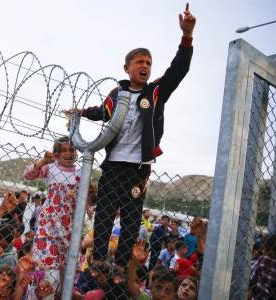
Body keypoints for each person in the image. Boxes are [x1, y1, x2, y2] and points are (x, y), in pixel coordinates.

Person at [66, 3, 196, 269]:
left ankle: (122, 265)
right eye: (139, 62)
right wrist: (81, 112)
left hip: (138, 169)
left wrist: (187, 36)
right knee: (104, 213)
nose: (145, 65)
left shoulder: (155, 93)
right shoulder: (117, 94)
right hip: (113, 165)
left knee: (131, 217)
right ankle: (100, 259)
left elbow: (178, 70)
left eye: (148, 62)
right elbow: (102, 112)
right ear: (127, 68)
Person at [23, 136, 84, 298]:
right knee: (49, 273)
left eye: (72, 150)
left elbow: (88, 202)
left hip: (69, 230)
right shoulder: (51, 168)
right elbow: (28, 175)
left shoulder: (81, 174)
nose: (69, 153)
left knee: (65, 275)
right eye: (64, 150)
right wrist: (43, 161)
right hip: (48, 227)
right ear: (56, 154)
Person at [249, 234, 276, 299]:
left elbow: (250, 273)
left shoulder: (265, 261)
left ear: (271, 252)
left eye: (263, 248)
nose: (261, 251)